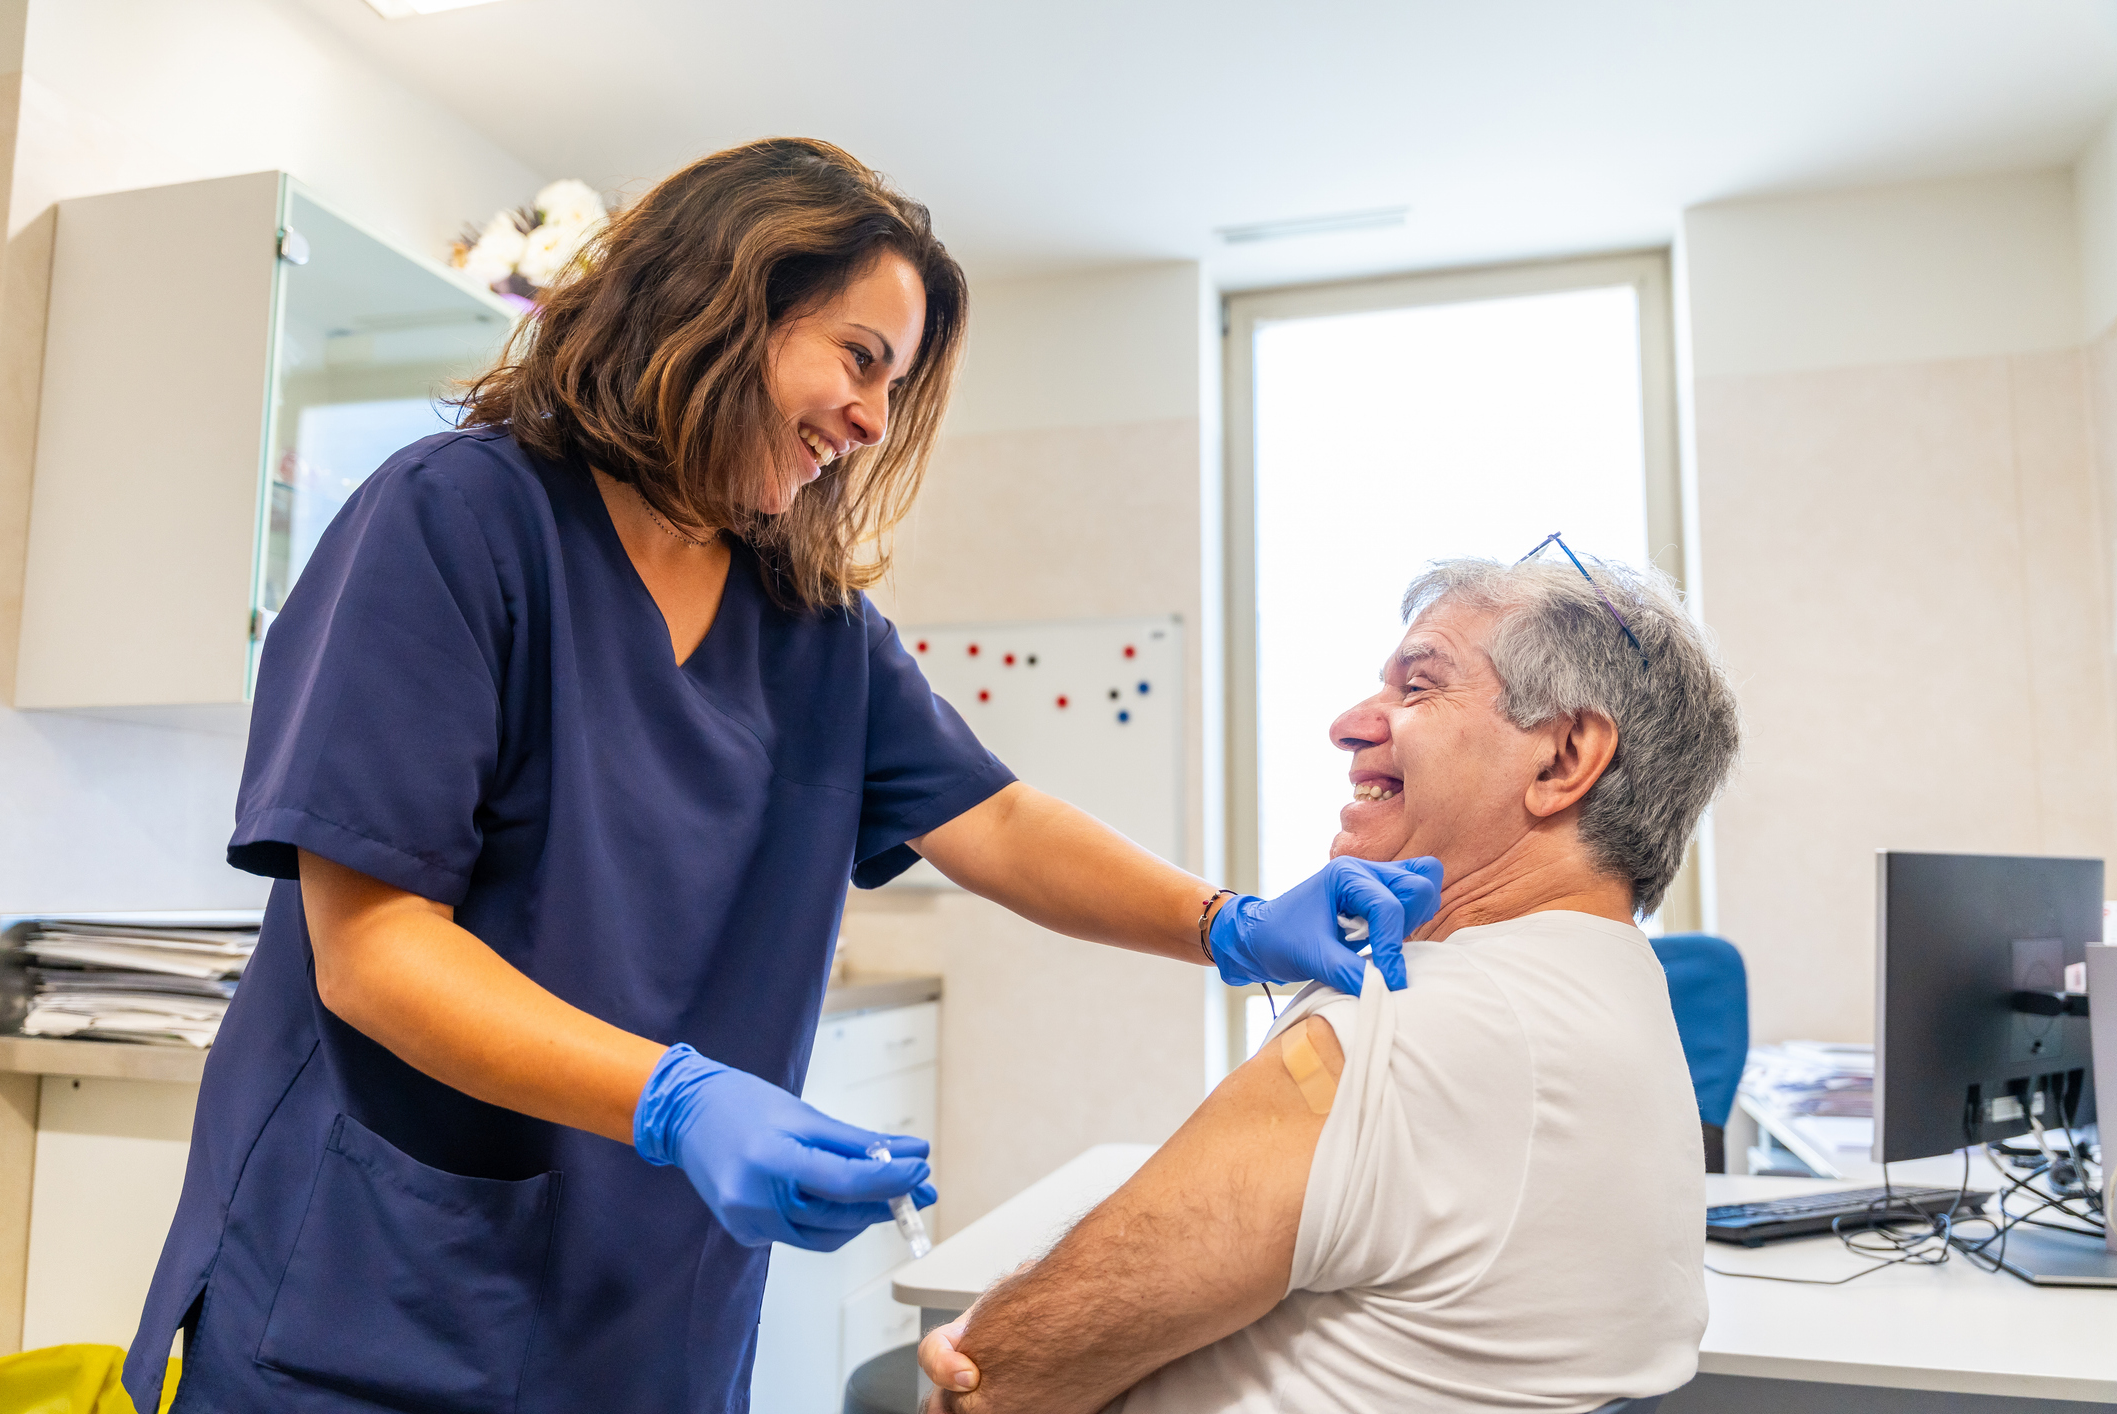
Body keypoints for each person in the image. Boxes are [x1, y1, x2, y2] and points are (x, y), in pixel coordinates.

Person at [123, 138, 1438, 1414]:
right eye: (859, 359)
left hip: (649, 1313)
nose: (869, 421)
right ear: (718, 306)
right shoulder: (457, 524)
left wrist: (1226, 922)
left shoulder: (812, 628)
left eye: (892, 383)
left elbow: (1000, 819)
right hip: (379, 1291)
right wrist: (671, 1096)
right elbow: (373, 951)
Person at [919, 550, 1742, 1413]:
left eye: (1417, 688)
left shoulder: (1424, 1026)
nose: (1349, 724)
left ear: (1562, 760)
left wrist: (1000, 1325)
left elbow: (994, 1382)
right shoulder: (1623, 996)